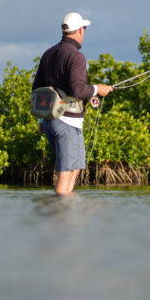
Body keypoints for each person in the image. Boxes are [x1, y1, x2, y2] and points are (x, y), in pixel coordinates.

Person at [32, 12, 113, 196]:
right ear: (79, 30)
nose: (84, 31)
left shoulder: (48, 54)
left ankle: (70, 215)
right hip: (68, 123)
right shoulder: (77, 57)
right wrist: (96, 89)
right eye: (84, 28)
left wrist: (41, 120)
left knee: (75, 168)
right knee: (66, 173)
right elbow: (77, 90)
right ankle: (60, 219)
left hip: (50, 121)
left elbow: (36, 88)